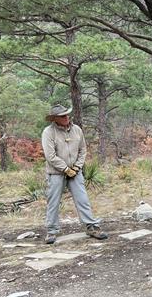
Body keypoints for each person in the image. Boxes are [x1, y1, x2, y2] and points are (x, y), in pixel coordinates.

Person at [41, 104, 108, 244]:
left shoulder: (76, 130)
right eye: (62, 116)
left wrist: (76, 168)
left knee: (82, 199)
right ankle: (51, 231)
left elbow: (83, 150)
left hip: (75, 171)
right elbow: (50, 156)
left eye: (67, 114)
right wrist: (66, 169)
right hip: (56, 173)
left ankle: (92, 227)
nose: (66, 117)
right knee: (53, 202)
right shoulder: (48, 132)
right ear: (55, 119)